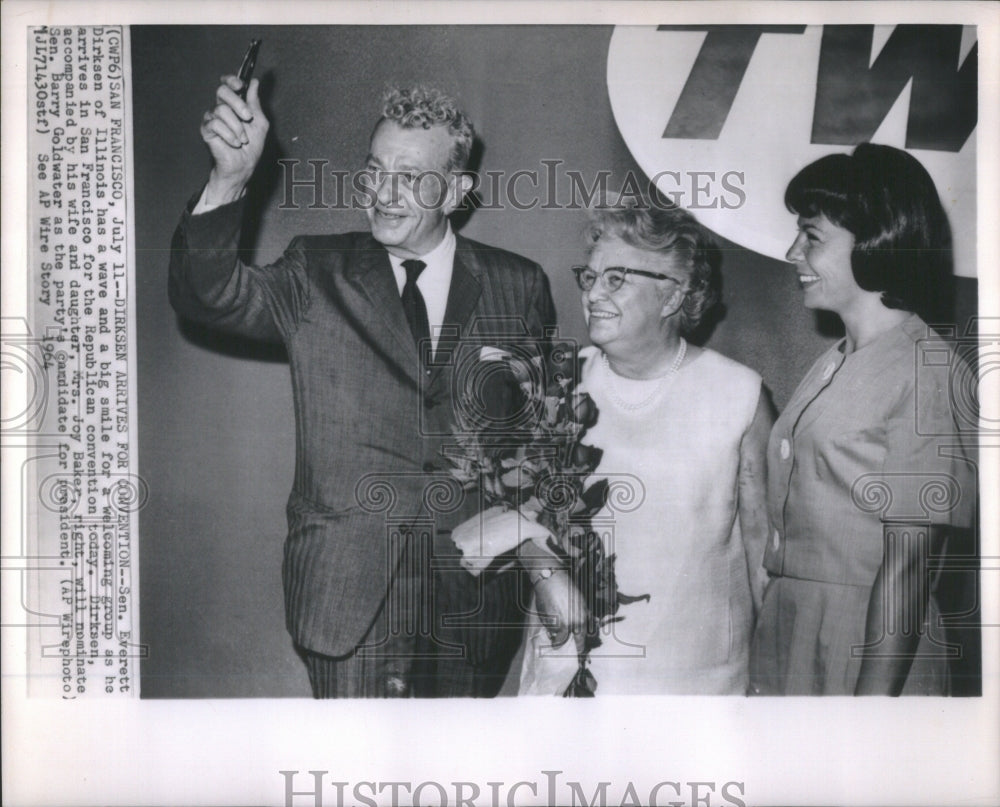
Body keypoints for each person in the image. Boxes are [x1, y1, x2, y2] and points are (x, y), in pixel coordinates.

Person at [168, 74, 556, 697]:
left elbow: (537, 443)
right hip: (346, 598)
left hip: (472, 598)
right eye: (375, 171)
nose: (384, 192)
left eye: (411, 176)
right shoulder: (314, 270)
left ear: (456, 191)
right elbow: (207, 294)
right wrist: (230, 180)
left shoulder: (519, 285)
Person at [457, 198, 773, 695]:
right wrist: (541, 565)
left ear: (673, 297)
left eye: (616, 279)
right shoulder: (555, 385)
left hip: (695, 684)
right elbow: (507, 504)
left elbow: (762, 552)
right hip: (571, 679)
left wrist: (773, 679)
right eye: (591, 276)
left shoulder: (739, 395)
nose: (593, 294)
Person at [749, 143, 976, 696]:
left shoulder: (927, 371)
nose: (792, 252)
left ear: (876, 240)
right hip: (797, 635)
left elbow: (909, 569)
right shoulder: (835, 361)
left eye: (812, 237)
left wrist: (868, 719)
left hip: (869, 650)